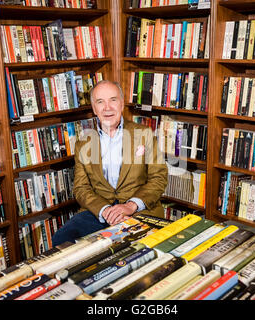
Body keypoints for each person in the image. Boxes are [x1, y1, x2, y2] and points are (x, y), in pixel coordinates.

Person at [51, 80, 168, 246]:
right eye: (100, 102)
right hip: (98, 213)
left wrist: (131, 205)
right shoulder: (83, 143)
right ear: (94, 108)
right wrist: (105, 210)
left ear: (121, 104)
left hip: (139, 211)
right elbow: (81, 188)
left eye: (113, 100)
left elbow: (159, 178)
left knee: (136, 249)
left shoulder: (144, 134)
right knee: (62, 240)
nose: (107, 107)